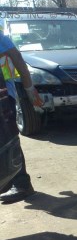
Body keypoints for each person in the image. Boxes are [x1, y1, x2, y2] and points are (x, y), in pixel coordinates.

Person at [0, 33, 43, 203]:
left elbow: (17, 58)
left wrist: (29, 88)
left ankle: (21, 183)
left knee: (8, 140)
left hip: (3, 98)